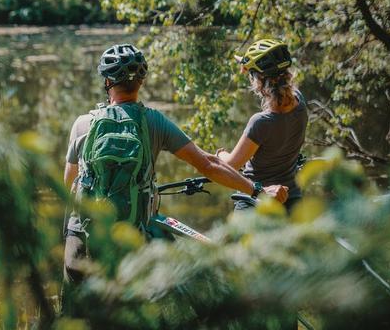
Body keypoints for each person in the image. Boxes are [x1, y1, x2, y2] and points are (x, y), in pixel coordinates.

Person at [63, 44, 289, 287]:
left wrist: (64, 235)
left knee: (75, 313)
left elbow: (68, 187)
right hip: (130, 236)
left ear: (107, 81)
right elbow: (209, 165)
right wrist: (257, 191)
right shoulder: (154, 121)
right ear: (141, 81)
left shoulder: (82, 124)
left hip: (82, 237)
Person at [216, 38, 308, 211]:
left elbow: (231, 165)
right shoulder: (300, 103)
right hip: (293, 200)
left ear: (257, 80)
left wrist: (220, 153)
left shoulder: (261, 122)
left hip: (257, 203)